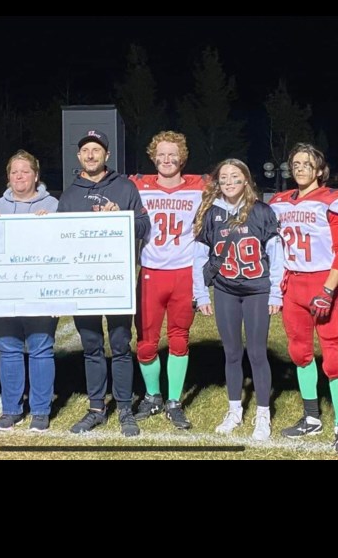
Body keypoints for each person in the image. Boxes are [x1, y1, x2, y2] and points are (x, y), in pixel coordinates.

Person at [57, 129, 150, 436]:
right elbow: (58, 238)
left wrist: (121, 215)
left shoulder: (125, 187)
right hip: (83, 282)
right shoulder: (70, 194)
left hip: (116, 281)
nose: (91, 155)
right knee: (92, 346)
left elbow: (143, 225)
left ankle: (124, 408)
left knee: (121, 345)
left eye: (97, 150)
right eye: (86, 151)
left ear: (106, 155)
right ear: (79, 156)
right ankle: (96, 407)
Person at [268, 143, 338, 455]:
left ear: (320, 170)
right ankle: (311, 417)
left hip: (321, 283)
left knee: (332, 356)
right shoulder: (280, 202)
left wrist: (329, 289)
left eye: (307, 163)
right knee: (300, 353)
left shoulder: (332, 201)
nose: (300, 168)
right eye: (295, 163)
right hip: (293, 283)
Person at [192, 158, 283, 441]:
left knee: (256, 352)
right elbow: (198, 257)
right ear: (217, 183)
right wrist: (199, 292)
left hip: (257, 289)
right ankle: (234, 410)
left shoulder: (262, 211)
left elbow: (276, 254)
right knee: (231, 352)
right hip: (225, 289)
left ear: (246, 180)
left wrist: (276, 291)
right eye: (223, 178)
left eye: (235, 176)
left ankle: (263, 414)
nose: (229, 182)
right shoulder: (210, 213)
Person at [130, 131, 207, 429]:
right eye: (161, 154)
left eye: (172, 154)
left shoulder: (201, 186)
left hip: (184, 273)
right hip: (150, 272)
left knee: (179, 338)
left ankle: (174, 400)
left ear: (182, 157)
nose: (166, 159)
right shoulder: (138, 186)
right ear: (152, 156)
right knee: (146, 343)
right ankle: (152, 396)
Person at [0, 150, 60, 432]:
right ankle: (11, 410)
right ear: (8, 177)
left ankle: (40, 410)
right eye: (14, 172)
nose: (19, 176)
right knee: (8, 349)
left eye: (25, 171)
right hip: (4, 291)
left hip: (40, 290)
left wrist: (51, 225)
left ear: (36, 176)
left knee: (41, 348)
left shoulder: (52, 205)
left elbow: (63, 246)